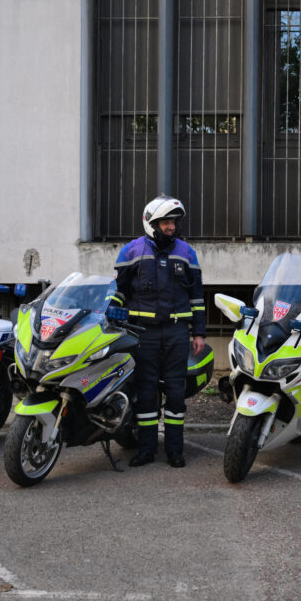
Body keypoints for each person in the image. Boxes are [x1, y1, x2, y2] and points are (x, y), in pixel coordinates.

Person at [113, 194, 206, 468]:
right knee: (146, 391)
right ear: (151, 223)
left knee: (176, 392)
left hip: (177, 333)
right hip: (143, 334)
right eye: (166, 222)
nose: (171, 227)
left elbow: (198, 297)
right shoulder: (130, 251)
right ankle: (146, 450)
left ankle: (175, 451)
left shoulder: (187, 252)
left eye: (173, 222)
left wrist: (199, 333)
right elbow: (118, 292)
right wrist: (112, 320)